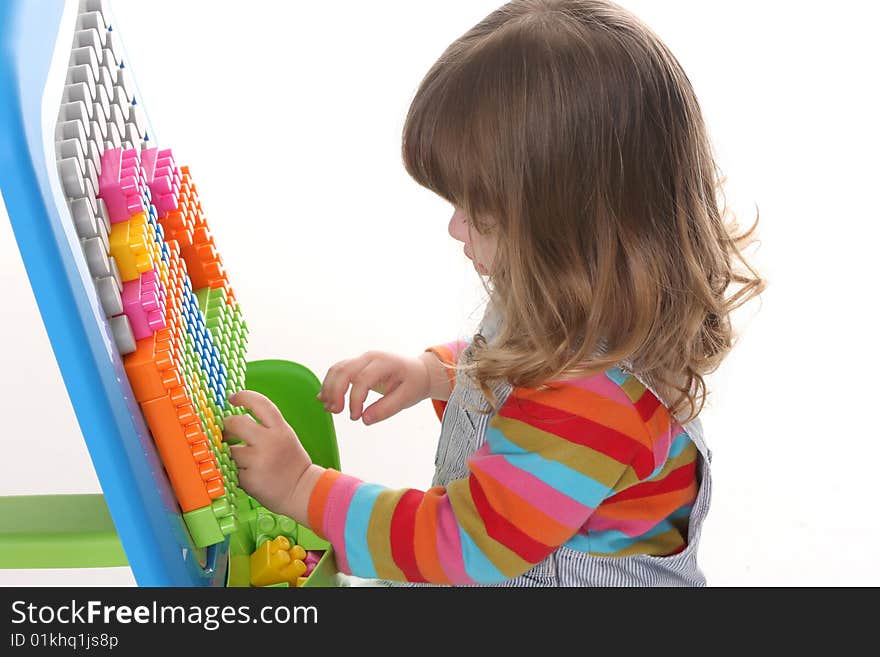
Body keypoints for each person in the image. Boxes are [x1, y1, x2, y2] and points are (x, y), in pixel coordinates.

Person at [222, 0, 765, 586]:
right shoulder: (570, 296)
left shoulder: (593, 406)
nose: (456, 228)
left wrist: (303, 490)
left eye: (479, 214)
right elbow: (527, 368)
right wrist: (435, 373)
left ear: (567, 229)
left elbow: (464, 544)